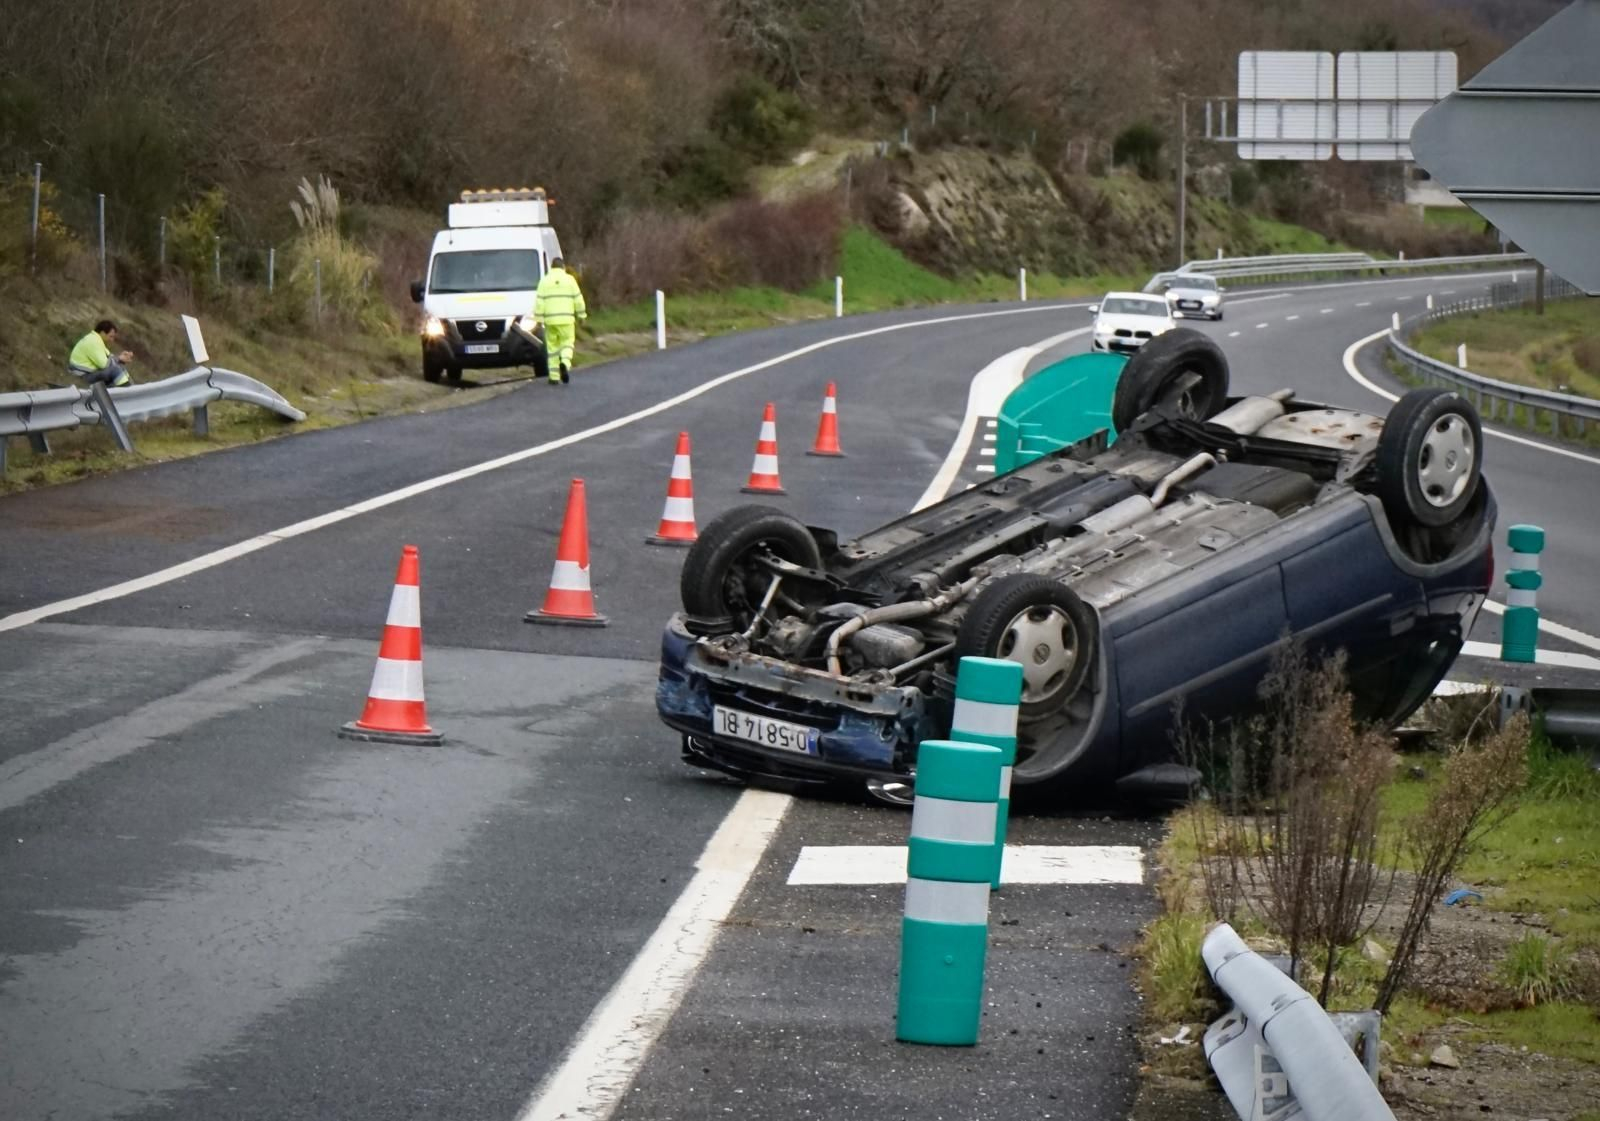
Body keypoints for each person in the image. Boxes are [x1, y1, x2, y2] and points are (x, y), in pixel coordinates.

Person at [534, 257, 587, 385]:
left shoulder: (544, 281)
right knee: (567, 343)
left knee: (552, 349)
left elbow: (539, 302)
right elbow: (578, 300)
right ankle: (565, 363)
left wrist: (538, 320)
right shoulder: (570, 280)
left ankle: (553, 377)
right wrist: (582, 316)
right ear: (563, 267)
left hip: (550, 321)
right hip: (566, 320)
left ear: (551, 267)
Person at [68, 319, 134, 387]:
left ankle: (132, 388)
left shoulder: (96, 339)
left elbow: (109, 358)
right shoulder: (93, 341)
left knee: (119, 367)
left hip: (88, 373)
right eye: (111, 336)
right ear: (102, 333)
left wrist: (120, 359)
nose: (112, 340)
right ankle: (129, 391)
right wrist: (119, 358)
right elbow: (104, 365)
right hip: (82, 377)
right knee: (115, 370)